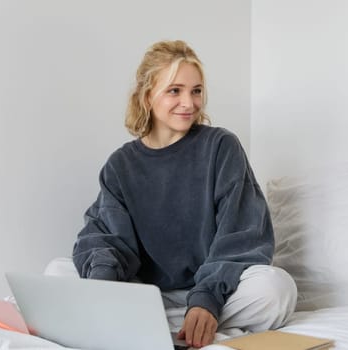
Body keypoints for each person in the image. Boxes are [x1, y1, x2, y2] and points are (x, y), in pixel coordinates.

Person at [71, 40, 296, 348]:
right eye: (175, 90)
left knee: (277, 289)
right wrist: (102, 285)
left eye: (196, 90)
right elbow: (106, 239)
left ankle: (175, 323)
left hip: (217, 288)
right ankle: (189, 327)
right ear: (148, 95)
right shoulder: (121, 165)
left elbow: (242, 236)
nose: (189, 103)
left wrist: (206, 299)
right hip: (150, 294)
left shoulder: (220, 147)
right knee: (59, 270)